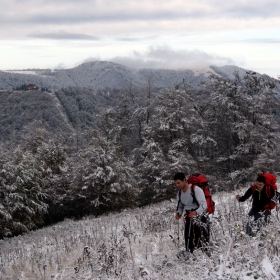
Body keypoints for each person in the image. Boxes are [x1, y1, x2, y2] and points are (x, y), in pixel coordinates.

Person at [174, 172, 209, 254]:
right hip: (188, 218)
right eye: (176, 183)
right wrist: (179, 213)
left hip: (200, 217)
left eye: (178, 183)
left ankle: (204, 258)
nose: (177, 185)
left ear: (184, 180)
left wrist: (196, 212)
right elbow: (180, 205)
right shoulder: (180, 193)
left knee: (201, 240)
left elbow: (204, 205)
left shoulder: (196, 189)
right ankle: (190, 257)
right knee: (189, 240)